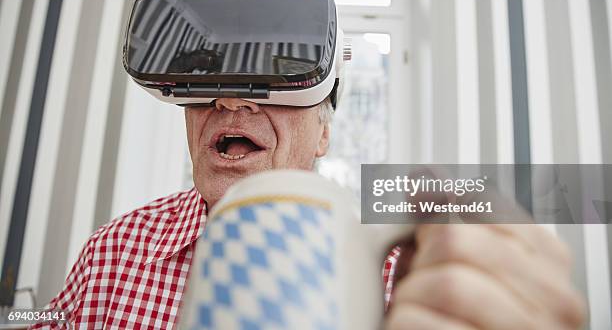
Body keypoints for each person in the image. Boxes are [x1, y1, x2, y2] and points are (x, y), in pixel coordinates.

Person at [31, 96, 585, 329]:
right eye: (210, 82)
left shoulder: (413, 273)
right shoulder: (114, 247)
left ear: (324, 133)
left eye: (275, 82)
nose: (232, 103)